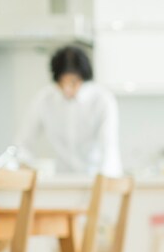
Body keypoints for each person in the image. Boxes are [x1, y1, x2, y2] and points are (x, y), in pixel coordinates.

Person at [15, 45, 122, 176]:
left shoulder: (102, 100)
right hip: (61, 181)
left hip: (94, 179)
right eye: (61, 82)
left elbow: (109, 149)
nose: (67, 89)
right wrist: (25, 164)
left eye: (73, 82)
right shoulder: (45, 100)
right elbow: (22, 143)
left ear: (84, 78)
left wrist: (106, 183)